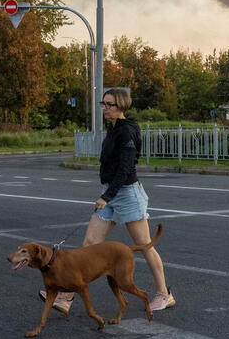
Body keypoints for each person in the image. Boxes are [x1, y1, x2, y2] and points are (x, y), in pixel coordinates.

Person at [42, 88, 175, 313]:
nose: (104, 108)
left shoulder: (127, 131)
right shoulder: (113, 129)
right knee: (90, 245)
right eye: (103, 103)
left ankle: (164, 294)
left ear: (121, 105)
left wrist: (107, 196)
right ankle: (65, 297)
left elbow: (126, 168)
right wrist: (107, 193)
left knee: (145, 245)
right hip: (111, 193)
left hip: (127, 195)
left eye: (109, 104)